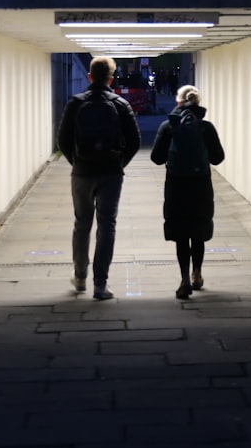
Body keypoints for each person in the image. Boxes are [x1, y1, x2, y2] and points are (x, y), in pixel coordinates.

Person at [57, 56, 141, 300]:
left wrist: (78, 162)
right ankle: (100, 285)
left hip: (82, 173)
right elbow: (134, 141)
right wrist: (117, 164)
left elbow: (62, 140)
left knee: (82, 224)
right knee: (107, 226)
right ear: (111, 78)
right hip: (110, 174)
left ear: (90, 77)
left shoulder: (75, 103)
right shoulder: (120, 104)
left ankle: (80, 277)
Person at [150, 85, 225, 299]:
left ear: (178, 102)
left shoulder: (168, 126)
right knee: (198, 230)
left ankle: (183, 278)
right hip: (200, 185)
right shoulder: (206, 127)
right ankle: (197, 274)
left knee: (181, 233)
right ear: (198, 103)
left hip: (176, 186)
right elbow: (218, 158)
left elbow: (156, 158)